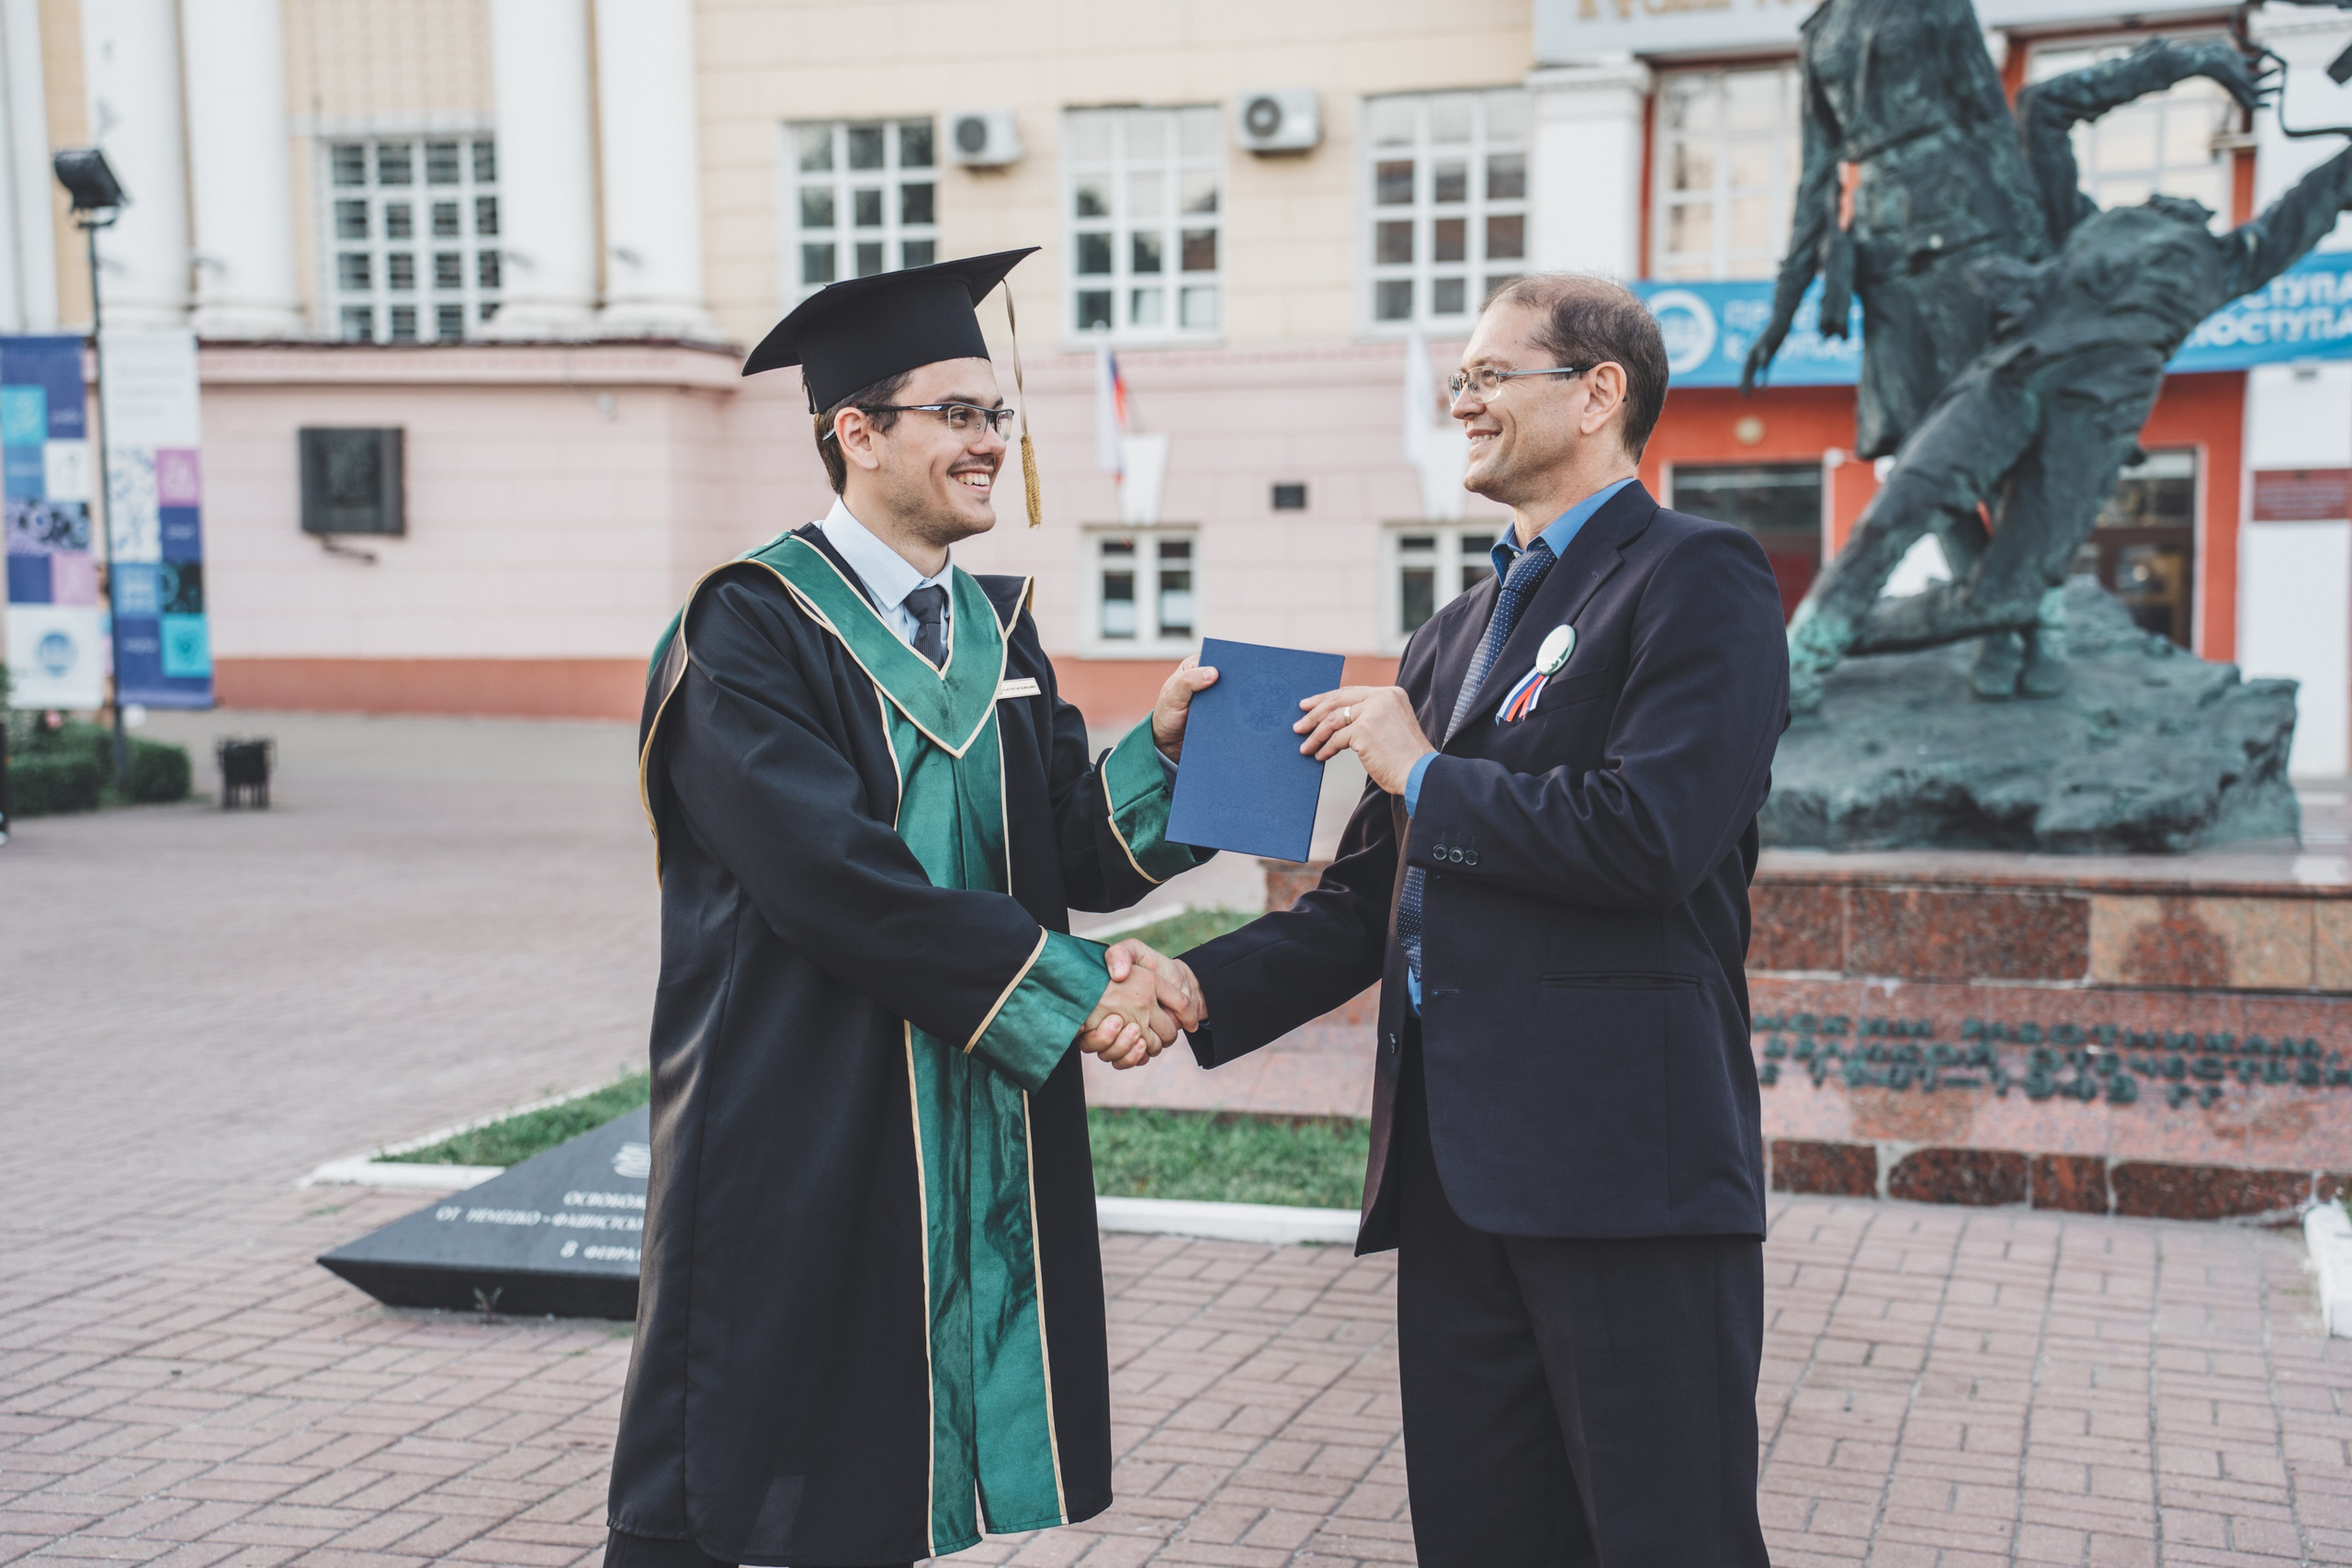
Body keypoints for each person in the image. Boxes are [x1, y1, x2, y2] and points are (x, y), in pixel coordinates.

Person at [1128, 275, 1791, 1566]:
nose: (1463, 400)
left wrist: (1426, 772)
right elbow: (1371, 900)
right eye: (1459, 380)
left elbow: (1652, 838)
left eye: (1491, 375)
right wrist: (1195, 989)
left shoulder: (1697, 575)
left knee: (1671, 1539)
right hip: (1454, 1183)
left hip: (1621, 1178)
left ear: (1600, 394)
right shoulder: (1455, 632)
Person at [605, 248, 1213, 1568]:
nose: (992, 441)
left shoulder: (998, 632)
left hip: (956, 1100)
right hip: (807, 1109)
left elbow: (1063, 855)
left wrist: (1167, 754)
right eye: (959, 414)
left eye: (998, 415)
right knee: (764, 1477)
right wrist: (1084, 988)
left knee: (887, 1477)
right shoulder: (749, 629)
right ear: (855, 430)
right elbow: (833, 879)